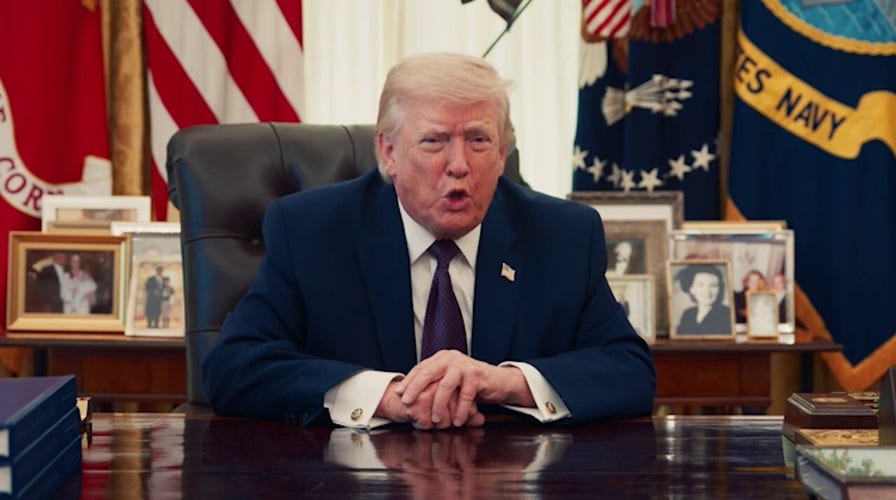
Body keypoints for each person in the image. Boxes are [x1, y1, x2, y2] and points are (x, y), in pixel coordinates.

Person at [202, 52, 655, 429]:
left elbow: (630, 372)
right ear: (389, 152)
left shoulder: (563, 236)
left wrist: (504, 382)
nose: (459, 164)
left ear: (502, 154)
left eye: (479, 140)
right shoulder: (311, 231)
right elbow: (233, 368)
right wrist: (384, 395)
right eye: (434, 141)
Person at [675, 264, 733, 335]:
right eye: (701, 285)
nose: (707, 291)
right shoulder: (688, 314)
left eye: (713, 286)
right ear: (691, 289)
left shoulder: (726, 314)